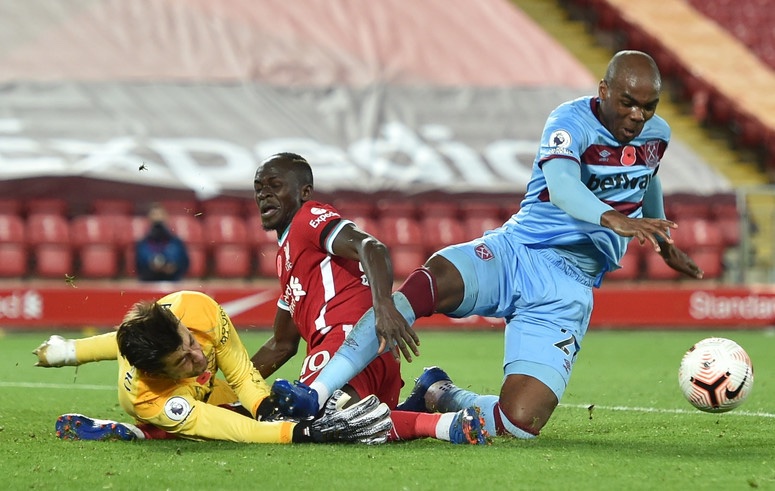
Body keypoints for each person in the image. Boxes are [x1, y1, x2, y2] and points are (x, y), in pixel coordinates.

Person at [270, 50, 704, 440]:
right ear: (604, 90)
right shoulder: (569, 122)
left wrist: (664, 243)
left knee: (521, 424)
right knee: (430, 281)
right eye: (627, 103)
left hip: (569, 288)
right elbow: (563, 185)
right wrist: (613, 219)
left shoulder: (655, 134)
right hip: (519, 251)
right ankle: (315, 391)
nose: (637, 116)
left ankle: (440, 393)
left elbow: (647, 175)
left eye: (648, 107)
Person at [249, 152, 486, 444]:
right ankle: (422, 397)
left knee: (314, 420)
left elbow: (371, 247)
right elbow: (281, 344)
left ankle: (445, 425)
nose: (264, 194)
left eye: (275, 185)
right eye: (259, 187)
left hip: (346, 343)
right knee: (349, 422)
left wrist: (383, 307)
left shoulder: (307, 218)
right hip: (371, 355)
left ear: (304, 192)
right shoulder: (286, 256)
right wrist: (238, 382)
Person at [34, 290, 392, 444]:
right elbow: (228, 429)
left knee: (257, 403)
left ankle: (67, 352)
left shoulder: (195, 308)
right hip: (172, 403)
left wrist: (266, 408)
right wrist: (299, 434)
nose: (198, 357)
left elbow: (239, 370)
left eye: (189, 341)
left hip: (190, 378)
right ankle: (142, 430)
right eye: (183, 361)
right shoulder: (149, 397)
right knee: (215, 420)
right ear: (158, 373)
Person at [135, 203, 189, 281]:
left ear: (166, 217)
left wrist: (171, 267)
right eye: (154, 215)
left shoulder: (176, 243)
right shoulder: (142, 244)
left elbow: (184, 264)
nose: (158, 218)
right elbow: (139, 265)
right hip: (148, 282)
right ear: (149, 218)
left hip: (173, 282)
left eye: (160, 214)